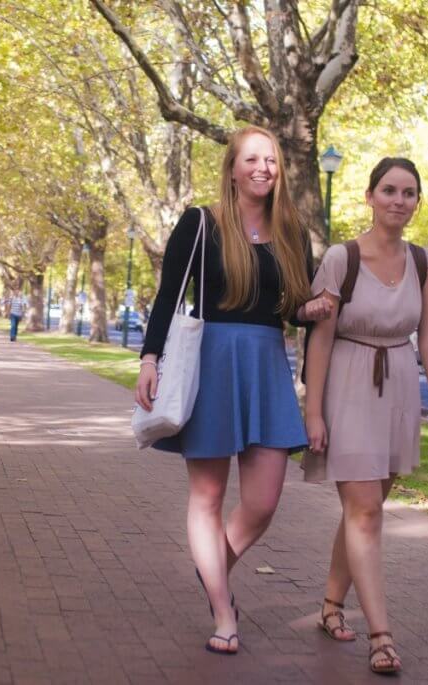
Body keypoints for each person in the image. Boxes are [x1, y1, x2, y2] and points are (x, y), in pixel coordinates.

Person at [136, 125, 334, 656]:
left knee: (264, 501)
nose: (263, 168)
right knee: (207, 496)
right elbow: (167, 297)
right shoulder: (201, 224)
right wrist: (149, 359)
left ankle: (211, 570)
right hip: (212, 362)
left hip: (265, 364)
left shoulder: (293, 231)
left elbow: (291, 307)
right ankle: (224, 611)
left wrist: (310, 309)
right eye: (251, 159)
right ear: (232, 169)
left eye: (270, 160)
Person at [303, 158, 428, 675]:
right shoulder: (341, 259)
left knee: (363, 509)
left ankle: (329, 606)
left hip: (400, 389)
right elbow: (319, 341)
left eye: (409, 193)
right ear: (369, 196)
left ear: (416, 202)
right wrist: (313, 411)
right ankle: (381, 635)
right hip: (347, 384)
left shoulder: (423, 261)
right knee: (366, 511)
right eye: (388, 190)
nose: (398, 200)